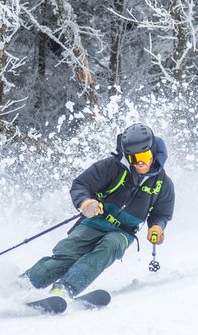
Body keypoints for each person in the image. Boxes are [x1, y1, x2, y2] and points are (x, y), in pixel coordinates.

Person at [23, 123, 175, 298]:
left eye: (144, 156)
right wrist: (85, 202)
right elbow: (81, 184)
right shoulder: (113, 166)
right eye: (134, 158)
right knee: (67, 256)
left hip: (123, 232)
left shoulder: (163, 184)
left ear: (154, 151)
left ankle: (65, 289)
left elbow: (161, 213)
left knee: (110, 245)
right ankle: (22, 285)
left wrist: (156, 226)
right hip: (95, 220)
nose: (140, 162)